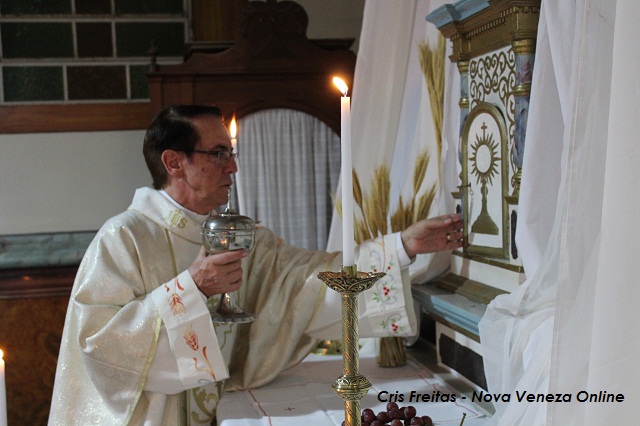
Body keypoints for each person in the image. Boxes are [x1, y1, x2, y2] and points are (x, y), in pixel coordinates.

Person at [49, 104, 463, 425]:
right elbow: (99, 346)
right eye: (218, 154)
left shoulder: (239, 235)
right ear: (174, 163)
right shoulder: (124, 238)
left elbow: (306, 281)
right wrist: (192, 287)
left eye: (231, 153)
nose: (233, 166)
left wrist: (402, 247)